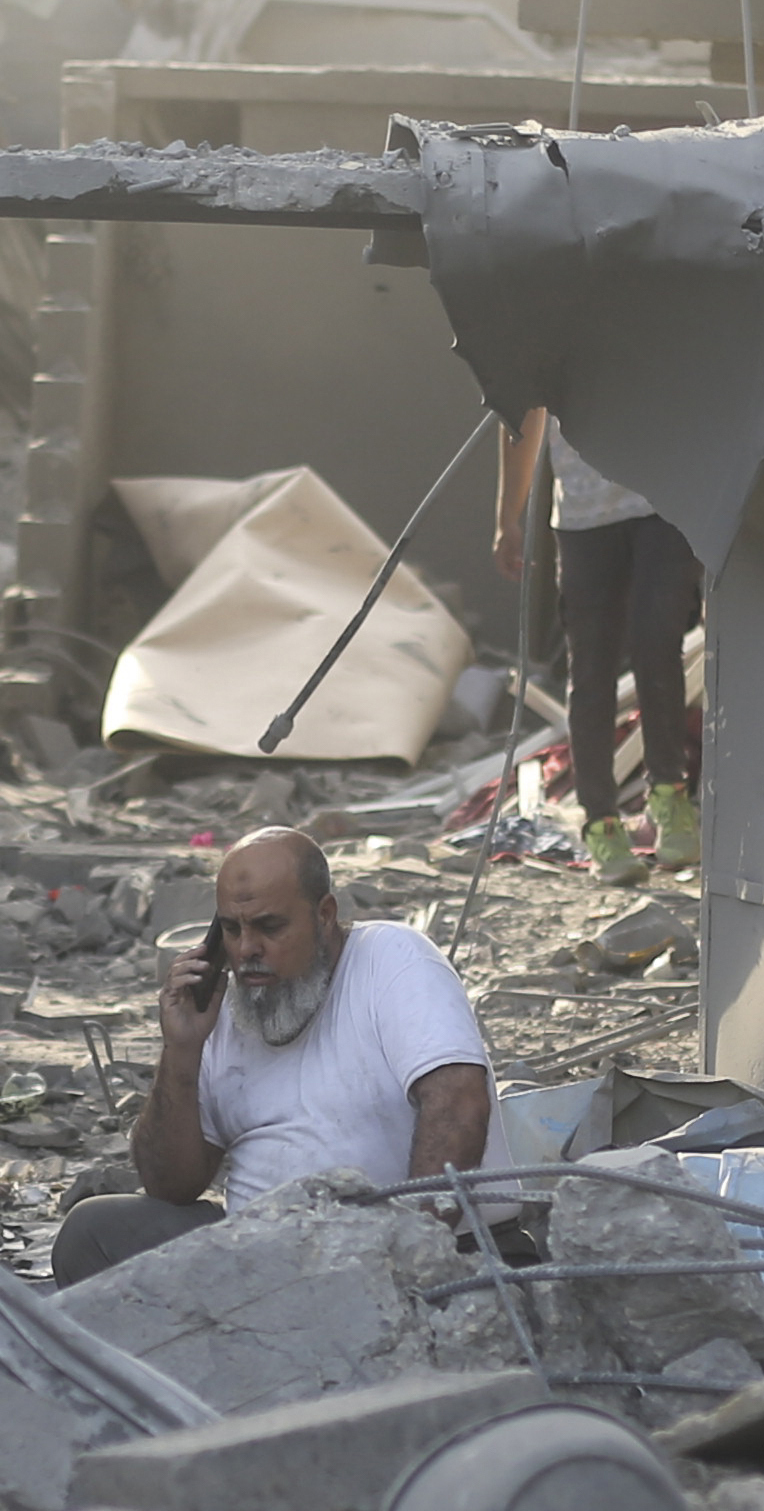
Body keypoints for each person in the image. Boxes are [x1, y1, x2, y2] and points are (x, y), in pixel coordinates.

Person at [49, 829, 493, 1284]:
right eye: (231, 929)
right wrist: (181, 1052)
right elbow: (171, 1186)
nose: (246, 950)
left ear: (324, 915)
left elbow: (458, 1102)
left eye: (269, 926)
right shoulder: (223, 1010)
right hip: (268, 1255)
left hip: (394, 1251)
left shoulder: (392, 959)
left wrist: (411, 1251)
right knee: (93, 1233)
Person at [495, 410, 700, 882]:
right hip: (584, 514)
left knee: (658, 643)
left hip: (664, 500)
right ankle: (601, 825)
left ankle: (670, 799)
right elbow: (518, 411)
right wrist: (508, 516)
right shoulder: (544, 338)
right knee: (591, 669)